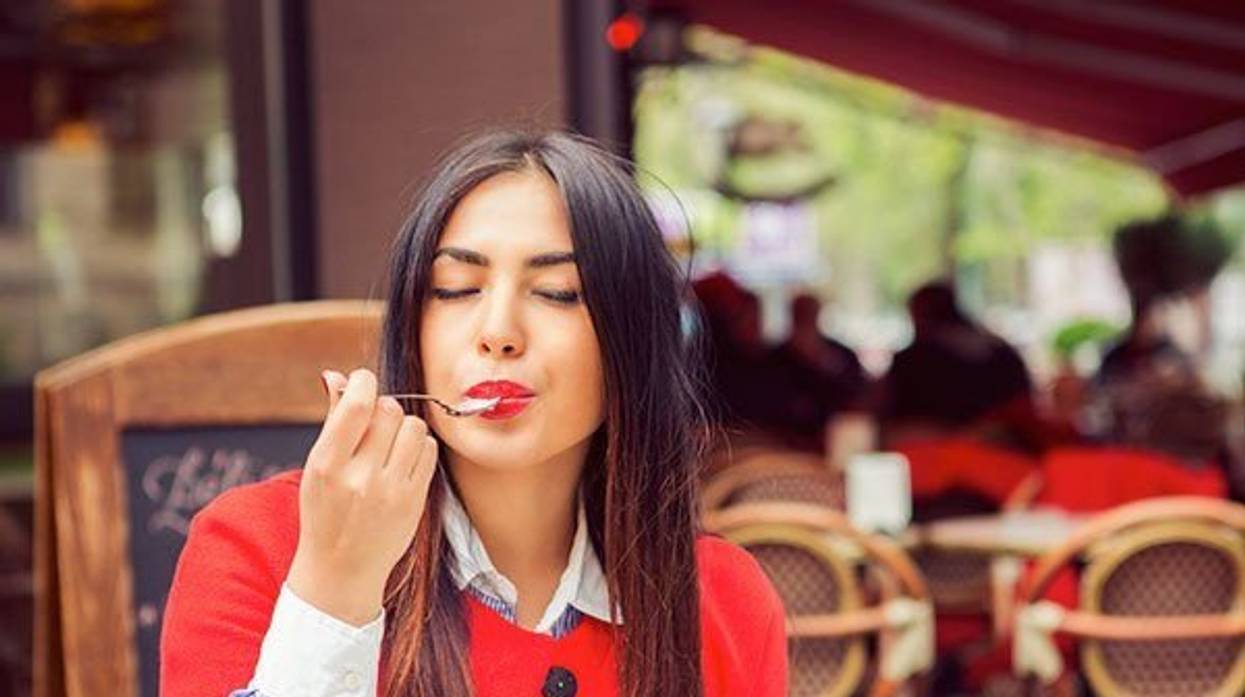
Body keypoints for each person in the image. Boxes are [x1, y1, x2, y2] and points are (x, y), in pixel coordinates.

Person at [160, 131, 787, 697]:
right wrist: (334, 592)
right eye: (456, 289)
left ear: (633, 338)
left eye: (558, 294)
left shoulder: (723, 601)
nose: (497, 332)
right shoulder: (257, 548)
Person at [767, 293, 868, 448]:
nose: (807, 319)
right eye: (801, 314)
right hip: (785, 441)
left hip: (836, 436)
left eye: (809, 313)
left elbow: (857, 392)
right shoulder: (775, 359)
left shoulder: (841, 353)